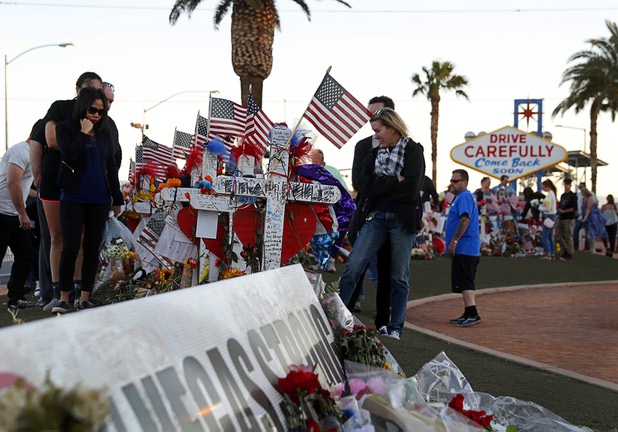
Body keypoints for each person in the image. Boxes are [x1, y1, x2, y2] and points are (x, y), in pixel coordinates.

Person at [338, 108, 425, 341]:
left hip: (402, 221)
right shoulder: (374, 154)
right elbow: (363, 185)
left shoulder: (414, 151)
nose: (375, 135)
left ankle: (395, 326)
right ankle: (337, 317)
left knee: (399, 276)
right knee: (353, 267)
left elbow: (410, 191)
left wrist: (382, 185)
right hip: (375, 217)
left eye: (378, 130)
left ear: (392, 128)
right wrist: (394, 181)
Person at [31, 72, 103, 311]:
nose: (93, 95)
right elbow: (49, 141)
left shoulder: (101, 119)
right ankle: (56, 293)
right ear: (77, 90)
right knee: (57, 237)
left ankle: (79, 293)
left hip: (87, 186)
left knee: (81, 241)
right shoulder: (60, 108)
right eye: (88, 89)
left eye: (98, 90)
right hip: (56, 179)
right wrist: (38, 173)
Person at [52, 87, 123, 313]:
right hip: (72, 197)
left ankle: (84, 298)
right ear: (83, 107)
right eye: (93, 110)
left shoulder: (104, 133)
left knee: (92, 248)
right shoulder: (65, 129)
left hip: (99, 199)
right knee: (70, 247)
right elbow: (70, 156)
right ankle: (64, 298)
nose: (97, 115)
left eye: (101, 112)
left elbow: (111, 166)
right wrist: (83, 133)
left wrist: (117, 198)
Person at [347, 96, 395, 326]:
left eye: (379, 113)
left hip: (392, 216)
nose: (373, 119)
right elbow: (358, 182)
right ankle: (345, 316)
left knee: (387, 271)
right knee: (356, 266)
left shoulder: (406, 146)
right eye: (370, 115)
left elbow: (408, 185)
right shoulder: (363, 146)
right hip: (365, 213)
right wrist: (388, 184)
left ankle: (385, 320)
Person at [0, 129, 39, 309]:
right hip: (3, 213)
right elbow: (12, 183)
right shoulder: (21, 151)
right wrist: (23, 214)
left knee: (26, 255)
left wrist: (39, 195)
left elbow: (21, 186)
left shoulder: (29, 153)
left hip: (14, 213)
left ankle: (14, 298)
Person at [445, 169, 481, 327]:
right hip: (465, 247)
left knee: (466, 281)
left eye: (456, 181)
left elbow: (464, 219)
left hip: (465, 246)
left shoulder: (465, 196)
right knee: (463, 280)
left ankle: (473, 313)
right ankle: (468, 311)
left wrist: (454, 240)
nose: (452, 183)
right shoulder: (461, 197)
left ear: (465, 182)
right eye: (452, 180)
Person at [555, 178, 578, 261]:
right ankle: (565, 250)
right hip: (561, 218)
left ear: (570, 185)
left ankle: (569, 253)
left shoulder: (573, 196)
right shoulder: (563, 195)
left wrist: (564, 211)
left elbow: (574, 208)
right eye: (565, 184)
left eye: (567, 184)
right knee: (557, 236)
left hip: (568, 218)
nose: (566, 186)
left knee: (568, 236)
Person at [580, 187, 607, 253]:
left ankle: (593, 249)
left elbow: (588, 208)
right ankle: (591, 248)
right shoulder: (585, 199)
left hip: (592, 217)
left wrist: (585, 217)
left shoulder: (590, 198)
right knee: (589, 234)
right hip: (589, 218)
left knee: (591, 234)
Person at [538, 179, 558, 260]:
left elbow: (547, 207)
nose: (542, 189)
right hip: (553, 215)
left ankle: (548, 253)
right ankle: (552, 252)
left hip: (549, 216)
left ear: (547, 186)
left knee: (545, 236)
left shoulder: (549, 195)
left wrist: (539, 208)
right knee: (550, 236)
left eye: (543, 187)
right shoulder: (552, 194)